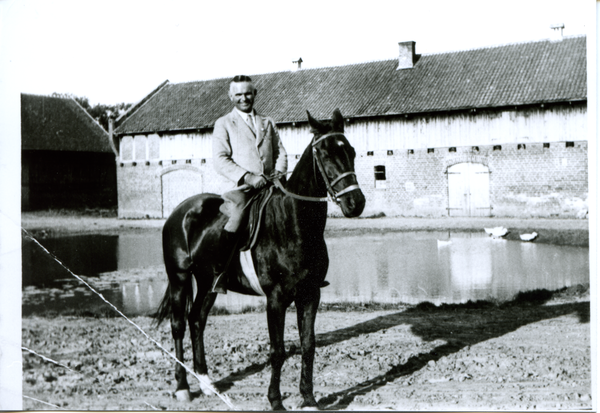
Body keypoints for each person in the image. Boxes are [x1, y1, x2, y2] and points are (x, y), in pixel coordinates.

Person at [211, 75, 287, 293]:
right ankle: (221, 273)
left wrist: (279, 173)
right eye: (238, 94)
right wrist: (248, 177)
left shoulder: (268, 122)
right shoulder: (224, 123)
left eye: (248, 93)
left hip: (272, 185)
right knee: (236, 218)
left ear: (255, 94)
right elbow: (220, 159)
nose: (244, 98)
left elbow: (280, 151)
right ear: (230, 96)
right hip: (244, 189)